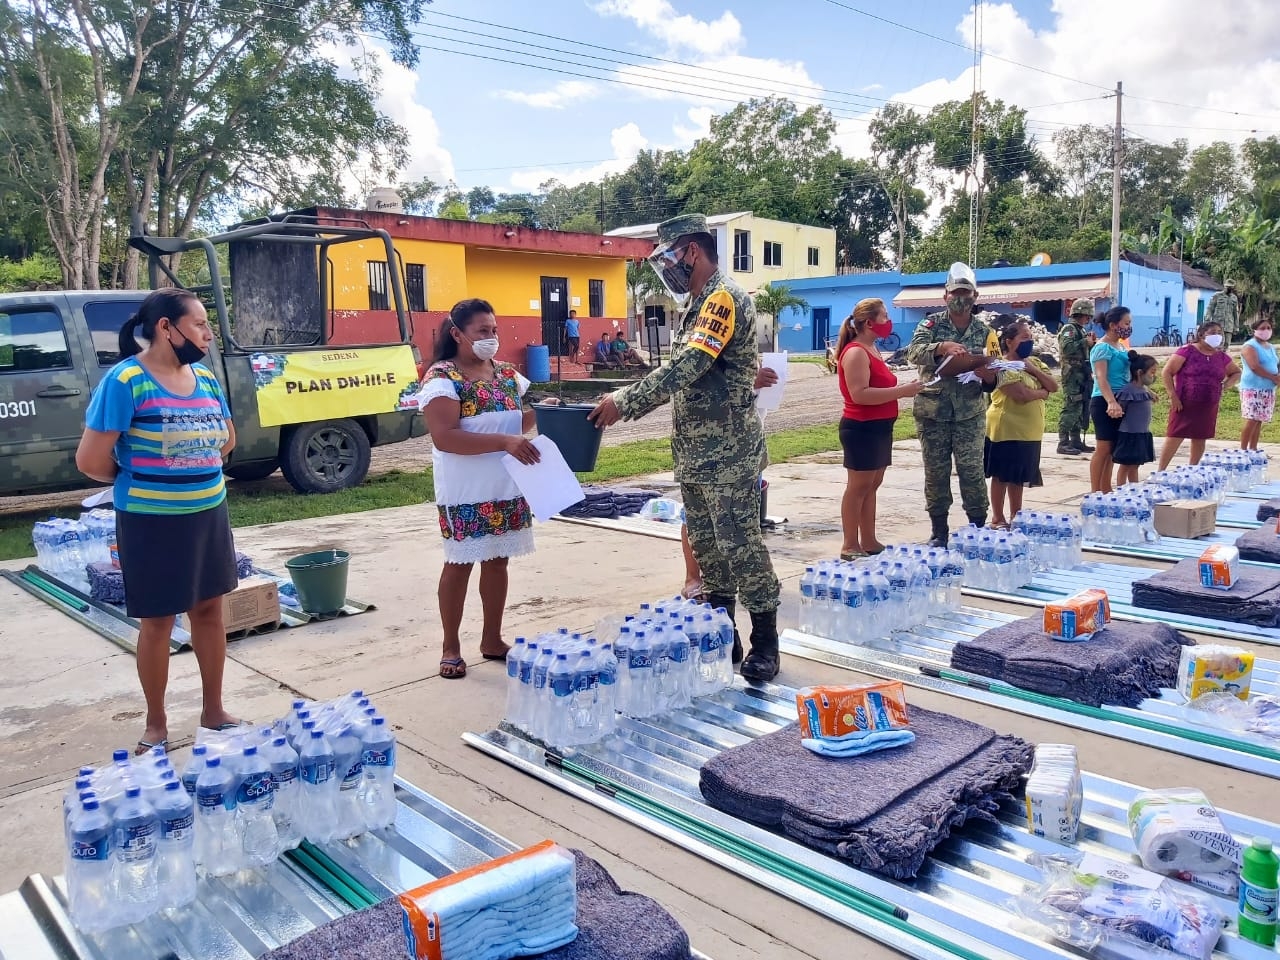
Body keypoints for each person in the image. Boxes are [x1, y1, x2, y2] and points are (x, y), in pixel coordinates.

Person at [589, 213, 783, 682]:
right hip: (697, 455)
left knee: (741, 547)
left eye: (670, 256)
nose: (667, 268)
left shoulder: (720, 298)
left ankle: (765, 642)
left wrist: (625, 401)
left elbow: (691, 365)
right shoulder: (698, 304)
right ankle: (724, 636)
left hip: (730, 453)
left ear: (692, 251)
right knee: (709, 550)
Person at [74, 289, 243, 753]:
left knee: (209, 612)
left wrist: (191, 464)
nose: (208, 333)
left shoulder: (204, 378)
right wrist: (141, 475)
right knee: (158, 623)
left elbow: (225, 440)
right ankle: (156, 724)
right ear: (166, 327)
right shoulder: (126, 380)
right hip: (151, 522)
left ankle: (214, 711)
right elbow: (90, 459)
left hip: (208, 513)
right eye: (200, 324)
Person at [418, 299, 541, 680]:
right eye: (481, 332)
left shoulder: (506, 374)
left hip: (506, 484)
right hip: (465, 490)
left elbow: (517, 419)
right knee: (459, 564)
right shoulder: (442, 377)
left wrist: (546, 411)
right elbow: (445, 437)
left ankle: (492, 638)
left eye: (494, 330)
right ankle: (450, 645)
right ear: (456, 334)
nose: (491, 338)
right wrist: (506, 441)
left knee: (498, 561)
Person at [906, 261, 997, 546]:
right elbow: (914, 352)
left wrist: (988, 377)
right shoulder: (930, 324)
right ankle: (939, 530)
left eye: (966, 293)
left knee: (972, 472)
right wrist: (941, 347)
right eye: (955, 292)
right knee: (936, 473)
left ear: (975, 297)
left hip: (970, 413)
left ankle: (978, 527)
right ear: (945, 296)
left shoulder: (986, 332)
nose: (960, 298)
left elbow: (996, 374)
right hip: (934, 413)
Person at [836, 297, 923, 558]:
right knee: (858, 486)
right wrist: (902, 391)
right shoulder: (855, 352)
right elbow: (859, 394)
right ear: (869, 322)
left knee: (872, 485)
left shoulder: (872, 350)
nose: (888, 322)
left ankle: (869, 540)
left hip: (879, 427)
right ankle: (850, 544)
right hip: (861, 428)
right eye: (884, 316)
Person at [984, 320, 1058, 528]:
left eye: (1031, 337)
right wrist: (1042, 393)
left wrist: (1033, 369)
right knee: (1001, 475)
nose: (1030, 341)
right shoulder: (1001, 365)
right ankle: (998, 518)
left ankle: (1017, 516)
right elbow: (1020, 395)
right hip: (1006, 428)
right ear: (1009, 341)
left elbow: (1054, 386)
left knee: (1018, 477)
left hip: (1030, 430)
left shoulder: (1033, 361)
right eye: (1024, 337)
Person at [1158, 319, 1241, 469]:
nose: (1217, 336)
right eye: (1212, 333)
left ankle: (1193, 469)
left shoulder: (1221, 356)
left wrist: (1226, 385)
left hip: (1209, 404)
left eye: (1219, 333)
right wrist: (1173, 396)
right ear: (1202, 334)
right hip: (1184, 403)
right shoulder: (1187, 351)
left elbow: (1236, 372)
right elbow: (1167, 372)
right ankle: (1160, 470)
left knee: (1200, 437)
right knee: (1175, 435)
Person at [1088, 306, 1133, 493]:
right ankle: (1094, 491)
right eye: (1126, 323)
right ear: (1113, 325)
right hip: (1104, 400)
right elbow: (1101, 377)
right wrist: (1111, 402)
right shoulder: (1102, 347)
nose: (1129, 327)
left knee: (1112, 449)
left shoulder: (1121, 347)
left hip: (1121, 399)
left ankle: (1106, 490)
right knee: (1103, 447)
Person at [1056, 298, 1096, 455]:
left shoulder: (1081, 330)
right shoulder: (1069, 329)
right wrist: (1083, 342)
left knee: (1081, 408)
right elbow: (1066, 348)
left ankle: (1076, 441)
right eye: (1087, 316)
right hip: (1072, 374)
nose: (1088, 319)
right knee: (1071, 406)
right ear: (1080, 314)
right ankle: (1063, 442)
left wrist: (1090, 344)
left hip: (1082, 374)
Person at [1113, 353, 1159, 485]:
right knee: (1126, 465)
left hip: (1142, 433)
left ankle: (1134, 489)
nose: (1153, 376)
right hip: (1129, 435)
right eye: (1152, 372)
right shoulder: (1128, 391)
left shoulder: (1144, 390)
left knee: (1136, 464)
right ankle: (1121, 491)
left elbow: (1145, 388)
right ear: (1140, 372)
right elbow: (1121, 410)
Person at [1239, 316, 1278, 451]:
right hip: (1253, 388)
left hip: (1268, 389)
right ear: (1255, 330)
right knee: (1252, 419)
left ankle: (1253, 448)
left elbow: (1275, 363)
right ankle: (1243, 450)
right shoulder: (1249, 346)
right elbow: (1254, 366)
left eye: (1268, 328)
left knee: (1259, 419)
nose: (1266, 331)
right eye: (1262, 328)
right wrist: (1273, 377)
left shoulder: (1270, 347)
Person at [1205, 278, 1241, 343]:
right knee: (1218, 343)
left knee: (1227, 343)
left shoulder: (1234, 298)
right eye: (1227, 287)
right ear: (1224, 286)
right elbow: (1210, 308)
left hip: (1229, 325)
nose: (1228, 289)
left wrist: (1236, 327)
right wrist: (1207, 320)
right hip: (1218, 324)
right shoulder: (1217, 295)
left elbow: (1235, 313)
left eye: (1230, 287)